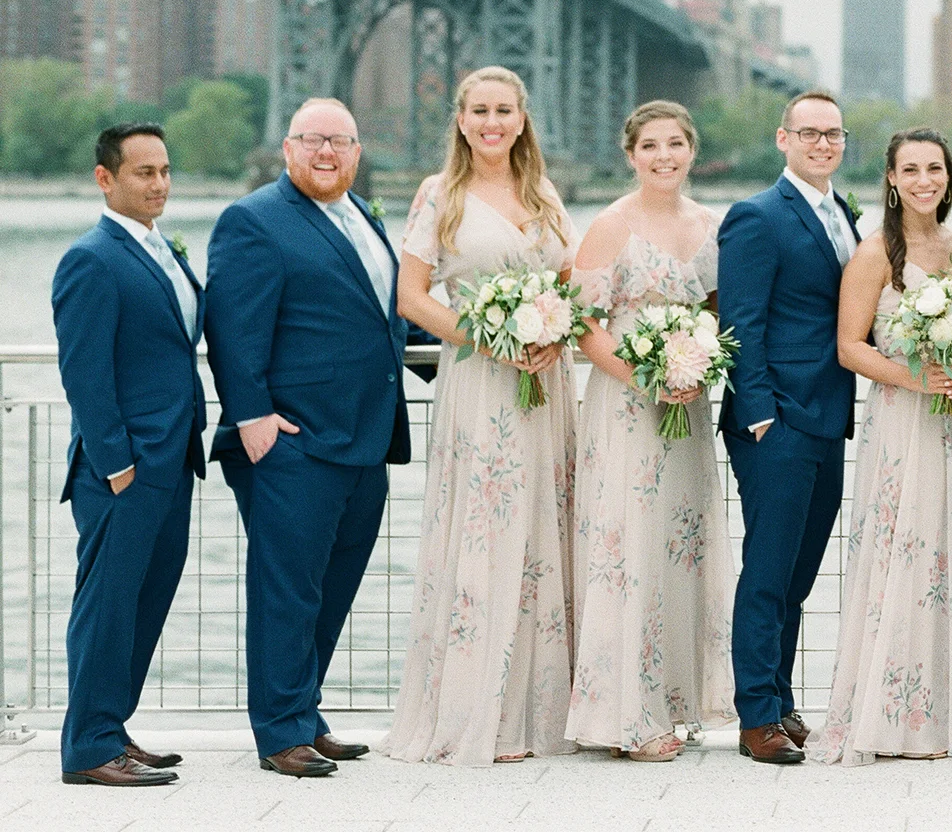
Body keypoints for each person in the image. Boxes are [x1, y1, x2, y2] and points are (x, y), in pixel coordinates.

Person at [206, 98, 411, 779]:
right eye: (314, 139)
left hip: (364, 439)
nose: (328, 153)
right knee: (287, 591)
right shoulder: (254, 220)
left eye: (342, 142)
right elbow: (232, 328)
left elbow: (385, 320)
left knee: (331, 589)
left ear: (357, 152)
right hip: (293, 443)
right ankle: (279, 731)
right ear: (289, 147)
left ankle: (304, 712)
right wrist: (254, 417)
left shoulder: (361, 216)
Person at [385, 66, 579, 765]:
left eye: (504, 110)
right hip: (481, 381)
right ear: (461, 122)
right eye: (479, 111)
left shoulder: (544, 193)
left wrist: (554, 334)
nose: (492, 122)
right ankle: (477, 714)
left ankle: (538, 711)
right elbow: (411, 297)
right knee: (486, 532)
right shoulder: (442, 195)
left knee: (540, 533)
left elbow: (566, 285)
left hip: (546, 385)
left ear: (522, 121)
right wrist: (488, 336)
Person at [566, 102, 736, 759]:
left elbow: (721, 313)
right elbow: (586, 326)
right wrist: (646, 377)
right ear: (631, 154)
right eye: (651, 146)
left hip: (686, 407)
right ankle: (624, 718)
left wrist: (701, 364)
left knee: (677, 548)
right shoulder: (611, 226)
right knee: (627, 550)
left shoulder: (711, 226)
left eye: (676, 144)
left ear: (691, 150)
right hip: (628, 406)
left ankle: (671, 701)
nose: (664, 156)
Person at [811, 129, 952, 764]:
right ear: (890, 177)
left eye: (934, 168)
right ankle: (890, 714)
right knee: (904, 548)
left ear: (948, 175)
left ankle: (945, 708)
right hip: (901, 417)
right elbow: (849, 346)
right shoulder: (874, 253)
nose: (923, 181)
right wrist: (916, 376)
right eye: (909, 169)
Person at [52, 123, 206, 787]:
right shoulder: (91, 258)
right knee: (109, 607)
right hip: (125, 472)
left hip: (173, 463)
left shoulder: (160, 250)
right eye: (144, 172)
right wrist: (117, 464)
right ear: (105, 179)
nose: (159, 184)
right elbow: (85, 372)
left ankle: (110, 727)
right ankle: (87, 748)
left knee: (145, 604)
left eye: (165, 170)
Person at [719, 89, 860, 765]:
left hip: (829, 417)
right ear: (784, 139)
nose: (822, 144)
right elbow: (740, 324)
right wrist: (762, 417)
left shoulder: (844, 214)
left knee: (800, 573)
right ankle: (755, 716)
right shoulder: (756, 217)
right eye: (809, 133)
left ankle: (778, 697)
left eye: (832, 134)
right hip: (777, 422)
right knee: (769, 570)